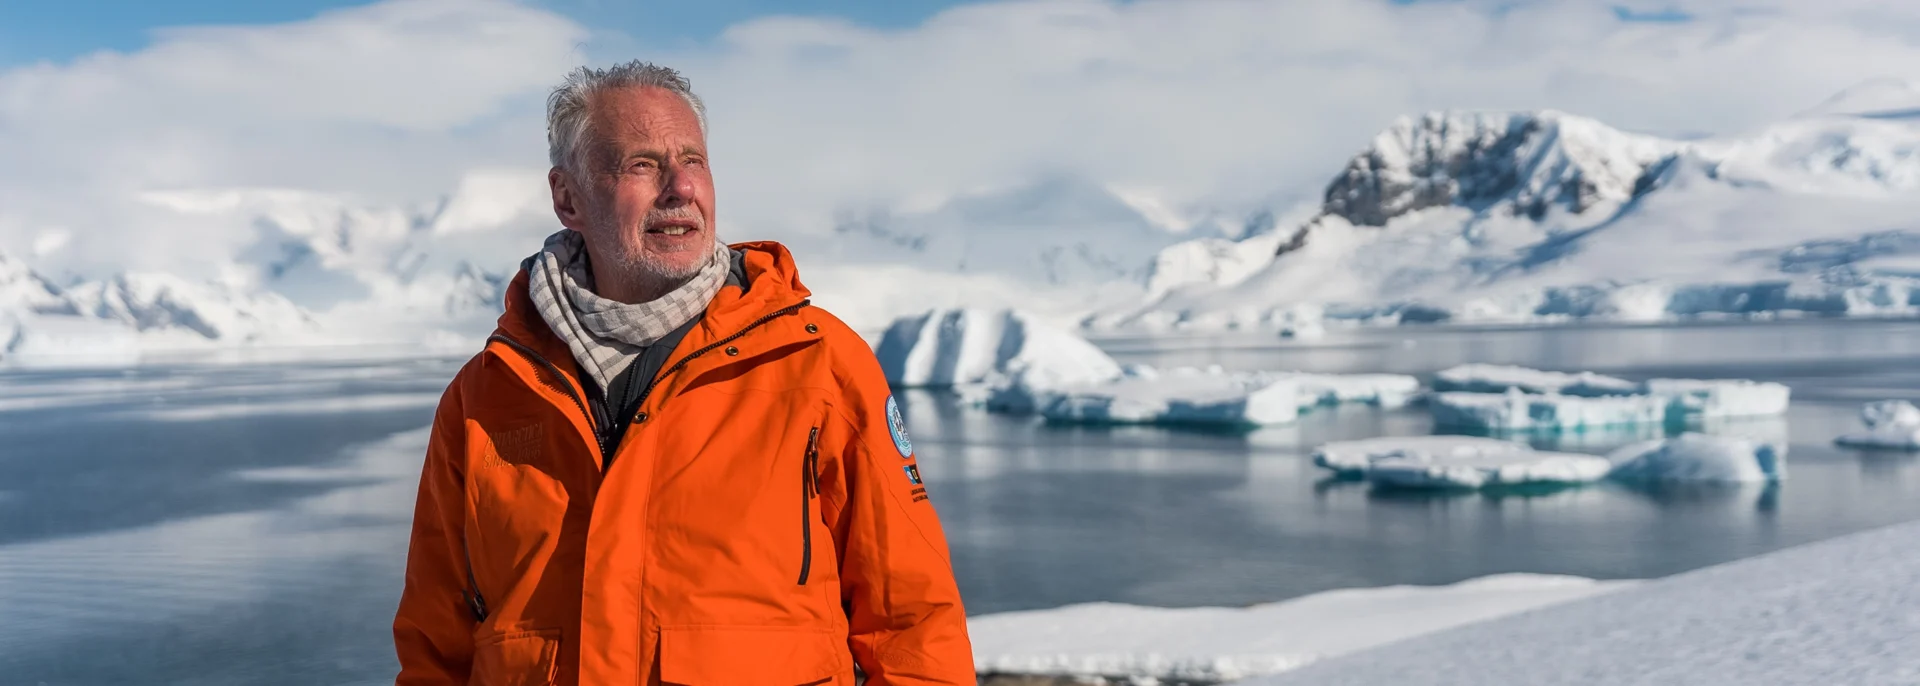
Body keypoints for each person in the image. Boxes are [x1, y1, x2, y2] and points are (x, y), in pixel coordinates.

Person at [392, 61, 974, 685]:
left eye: (692, 160)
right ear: (568, 197)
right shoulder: (488, 395)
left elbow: (914, 625)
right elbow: (436, 649)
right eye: (641, 165)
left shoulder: (817, 365)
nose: (680, 188)